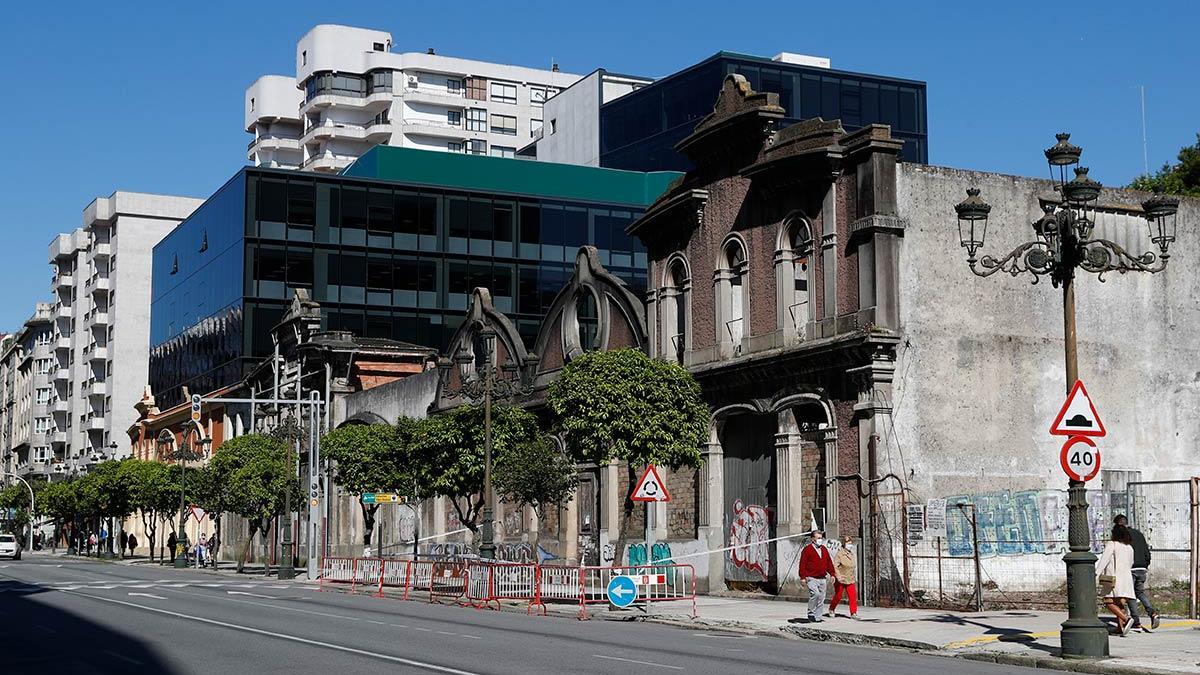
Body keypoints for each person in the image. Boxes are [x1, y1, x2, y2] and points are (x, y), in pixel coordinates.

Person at [1114, 514, 1160, 631]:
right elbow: (1146, 551)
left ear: (1118, 524)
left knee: (1131, 596)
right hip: (1142, 568)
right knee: (1140, 592)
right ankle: (1152, 613)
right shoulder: (1139, 534)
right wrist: (1146, 564)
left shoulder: (1122, 536)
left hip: (1131, 568)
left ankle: (1136, 622)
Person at [1096, 523, 1136, 636]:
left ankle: (1126, 619)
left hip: (1113, 578)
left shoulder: (1112, 544)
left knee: (1108, 601)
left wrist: (1097, 573)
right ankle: (1120, 627)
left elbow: (1104, 559)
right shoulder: (1129, 547)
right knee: (1120, 603)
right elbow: (1131, 563)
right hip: (1126, 578)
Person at [798, 529, 836, 623]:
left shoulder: (823, 549)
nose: (820, 540)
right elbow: (802, 564)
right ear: (813, 539)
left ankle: (818, 616)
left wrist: (832, 574)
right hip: (811, 577)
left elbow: (828, 562)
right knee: (815, 594)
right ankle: (811, 612)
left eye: (821, 538)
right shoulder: (807, 549)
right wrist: (802, 577)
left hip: (822, 577)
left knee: (821, 598)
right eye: (818, 538)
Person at [828, 535, 858, 619]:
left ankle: (853, 613)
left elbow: (853, 566)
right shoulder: (840, 554)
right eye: (848, 543)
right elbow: (835, 566)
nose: (850, 545)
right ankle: (832, 608)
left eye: (851, 543)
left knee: (852, 596)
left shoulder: (852, 554)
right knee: (838, 595)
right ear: (844, 544)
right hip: (841, 578)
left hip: (850, 578)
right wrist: (838, 576)